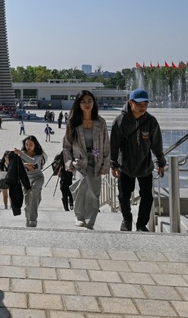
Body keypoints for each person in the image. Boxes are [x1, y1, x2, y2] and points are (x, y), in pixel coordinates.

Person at [110, 89, 166, 232]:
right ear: (130, 103)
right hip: (125, 165)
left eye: (145, 104)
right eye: (139, 104)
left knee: (147, 197)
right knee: (123, 195)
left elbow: (157, 144)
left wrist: (161, 162)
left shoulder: (151, 121)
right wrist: (114, 164)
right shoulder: (120, 121)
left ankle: (141, 224)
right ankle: (127, 219)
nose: (143, 107)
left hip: (145, 165)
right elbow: (114, 145)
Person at [63, 90, 110, 229]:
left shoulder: (100, 122)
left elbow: (106, 144)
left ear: (94, 103)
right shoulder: (73, 122)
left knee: (94, 192)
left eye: (90, 101)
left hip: (96, 159)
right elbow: (66, 145)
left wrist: (105, 164)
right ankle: (79, 216)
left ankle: (90, 220)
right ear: (78, 104)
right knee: (80, 184)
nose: (87, 104)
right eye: (83, 101)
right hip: (79, 160)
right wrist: (68, 162)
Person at [14, 135, 46, 227]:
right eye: (27, 144)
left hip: (38, 178)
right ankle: (28, 219)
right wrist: (24, 164)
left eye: (31, 145)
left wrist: (22, 155)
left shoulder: (38, 154)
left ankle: (33, 219)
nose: (28, 147)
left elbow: (33, 161)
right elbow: (17, 164)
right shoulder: (22, 153)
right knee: (28, 201)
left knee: (35, 191)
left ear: (35, 145)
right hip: (26, 180)